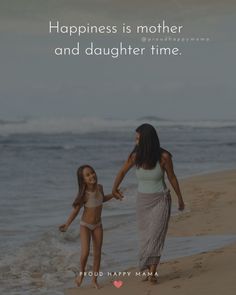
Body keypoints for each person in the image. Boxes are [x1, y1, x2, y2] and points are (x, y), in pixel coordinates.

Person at [112, 123, 185, 284]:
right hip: (142, 201)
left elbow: (172, 177)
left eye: (138, 138)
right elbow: (123, 171)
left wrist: (180, 197)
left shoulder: (164, 157)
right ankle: (149, 270)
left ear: (147, 140)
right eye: (135, 138)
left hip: (161, 199)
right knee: (145, 238)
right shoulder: (135, 156)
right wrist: (114, 188)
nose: (135, 141)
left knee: (155, 236)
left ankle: (152, 273)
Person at [59, 164, 115, 289]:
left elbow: (102, 199)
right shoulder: (84, 194)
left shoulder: (100, 188)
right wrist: (67, 224)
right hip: (85, 225)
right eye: (87, 175)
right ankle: (82, 273)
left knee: (97, 253)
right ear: (83, 179)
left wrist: (113, 195)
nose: (91, 176)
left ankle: (94, 280)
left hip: (98, 225)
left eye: (92, 172)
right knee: (85, 253)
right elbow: (75, 211)